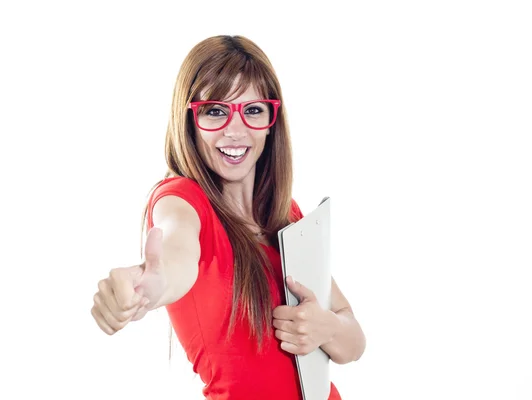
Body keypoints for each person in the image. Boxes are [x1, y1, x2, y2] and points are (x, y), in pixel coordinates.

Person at [90, 34, 366, 400]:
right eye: (215, 111)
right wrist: (150, 285)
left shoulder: (285, 213)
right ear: (189, 119)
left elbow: (353, 344)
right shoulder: (181, 200)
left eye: (253, 110)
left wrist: (325, 327)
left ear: (271, 121)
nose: (235, 131)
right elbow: (176, 252)